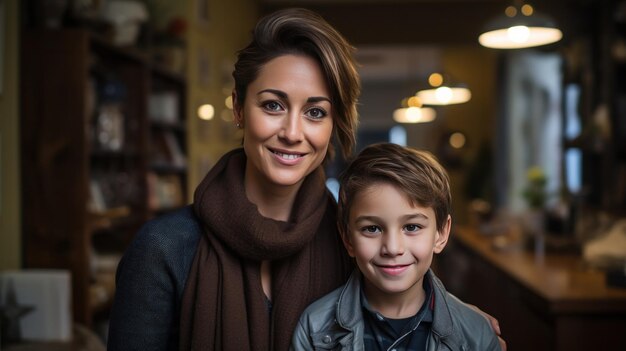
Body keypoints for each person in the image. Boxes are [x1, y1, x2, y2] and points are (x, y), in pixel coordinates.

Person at [107, 8, 503, 351]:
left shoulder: (352, 238)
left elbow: (404, 280)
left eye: (315, 112)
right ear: (238, 109)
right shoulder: (163, 249)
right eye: (273, 105)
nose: (293, 132)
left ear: (334, 124)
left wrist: (461, 320)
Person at [291, 143, 502, 351]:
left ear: (441, 234)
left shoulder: (477, 334)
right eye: (372, 229)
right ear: (347, 238)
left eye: (411, 227)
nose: (392, 248)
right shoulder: (314, 328)